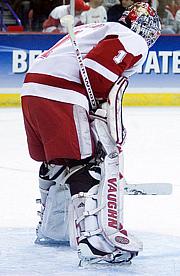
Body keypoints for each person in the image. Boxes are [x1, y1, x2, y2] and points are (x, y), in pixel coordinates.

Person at [21, 2, 161, 265]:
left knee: (56, 161)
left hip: (31, 90)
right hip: (62, 93)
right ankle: (93, 241)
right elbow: (96, 76)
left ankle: (52, 228)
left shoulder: (95, 28)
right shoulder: (132, 38)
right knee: (86, 162)